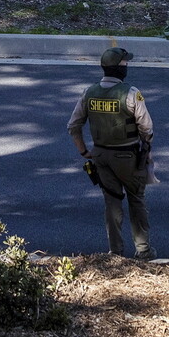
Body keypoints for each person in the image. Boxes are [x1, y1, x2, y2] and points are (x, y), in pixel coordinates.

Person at [67, 47, 157, 260]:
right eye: (126, 63)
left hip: (100, 155)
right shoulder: (131, 93)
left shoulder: (89, 92)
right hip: (128, 156)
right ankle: (143, 250)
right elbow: (147, 128)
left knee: (112, 201)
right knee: (136, 199)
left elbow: (73, 125)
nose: (127, 66)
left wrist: (84, 151)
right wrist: (146, 148)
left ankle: (115, 252)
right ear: (120, 68)